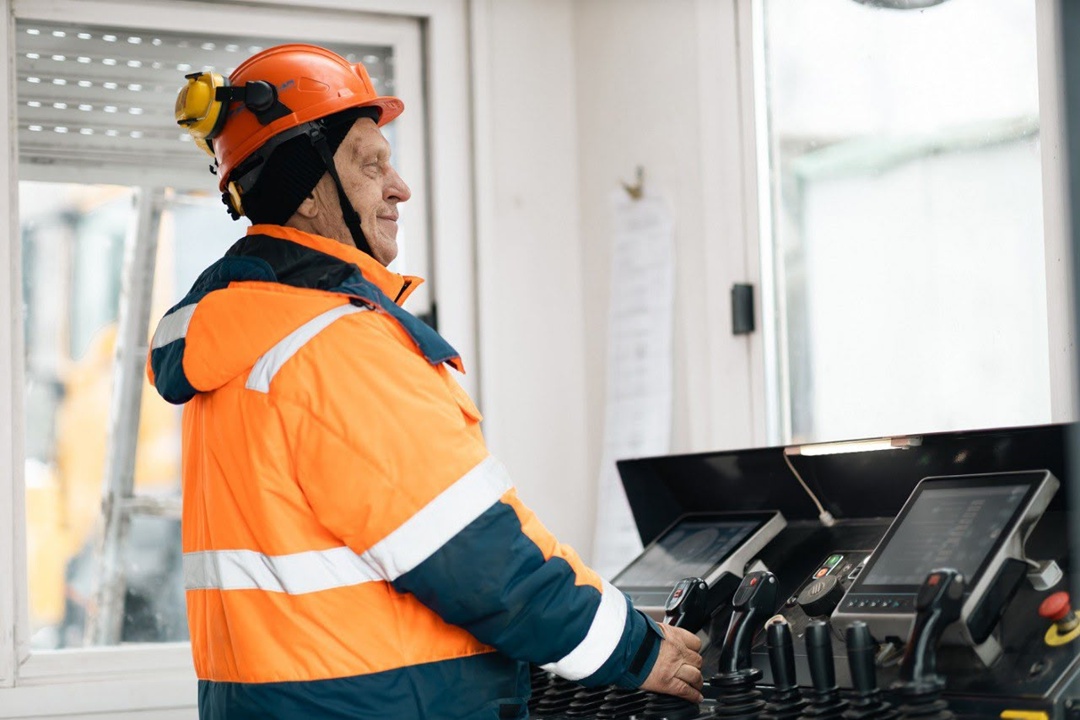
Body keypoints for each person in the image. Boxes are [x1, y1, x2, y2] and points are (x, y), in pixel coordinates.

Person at [153, 43, 704, 719]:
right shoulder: (333, 344)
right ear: (306, 192)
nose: (398, 187)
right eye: (370, 164)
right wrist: (637, 649)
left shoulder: (242, 340)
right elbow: (475, 556)